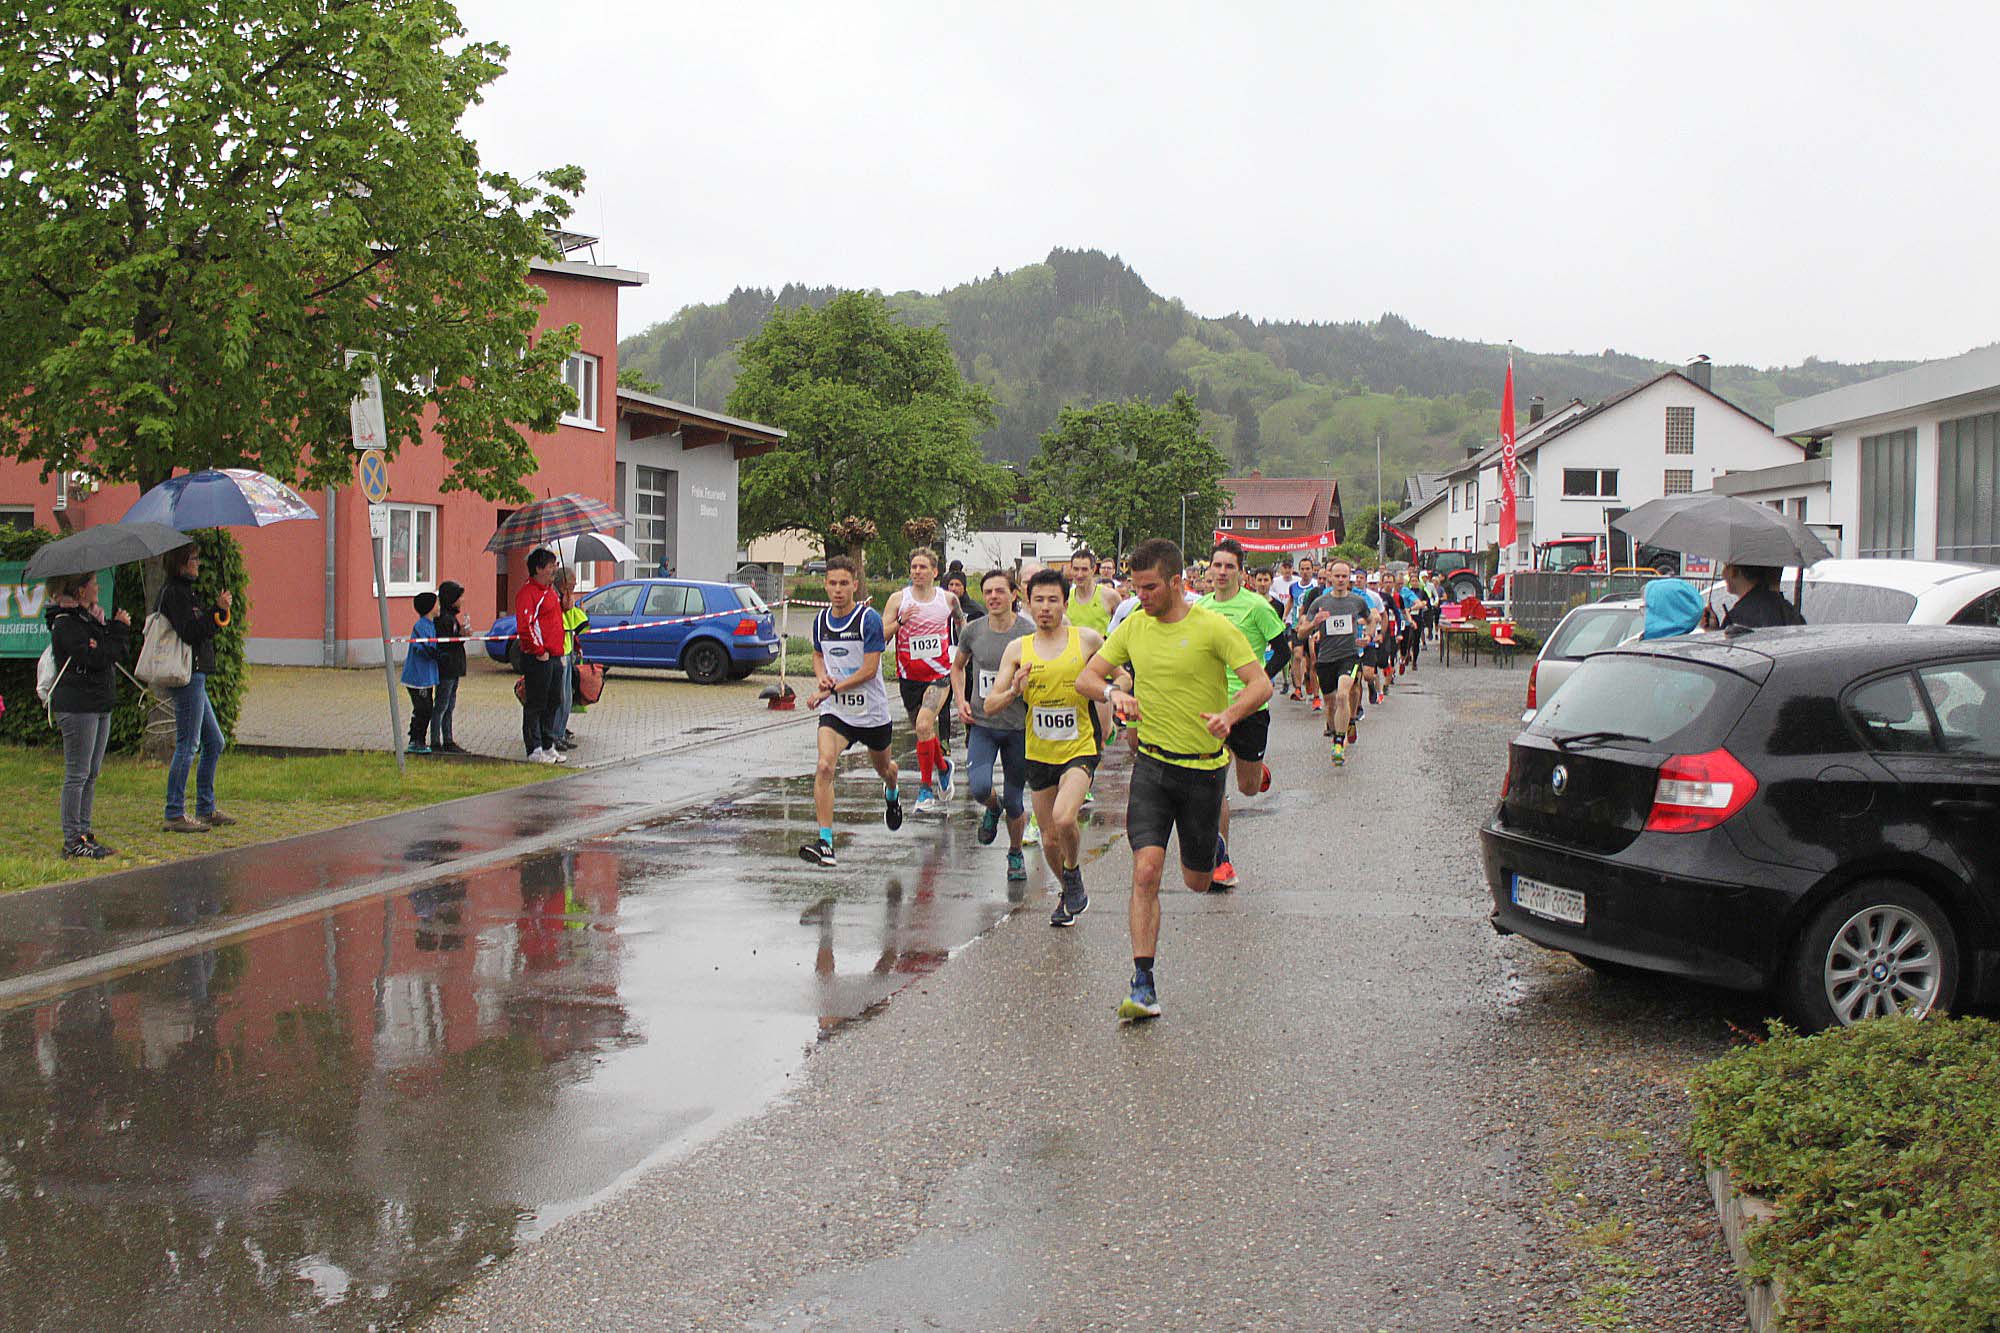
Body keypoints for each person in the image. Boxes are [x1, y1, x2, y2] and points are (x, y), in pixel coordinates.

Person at [1078, 539, 1271, 1021]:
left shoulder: (1213, 627)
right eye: (1136, 587)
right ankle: (1142, 983)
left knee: (1197, 881)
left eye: (1150, 587)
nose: (1141, 596)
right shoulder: (1134, 627)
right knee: (1145, 871)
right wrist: (1112, 694)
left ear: (1177, 582)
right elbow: (1087, 677)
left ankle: (1214, 851)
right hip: (1153, 766)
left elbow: (1260, 684)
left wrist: (1230, 715)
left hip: (1204, 770)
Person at [987, 568, 1103, 927]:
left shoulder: (1086, 640)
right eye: (1039, 600)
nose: (1046, 607)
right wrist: (1013, 691)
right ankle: (1068, 886)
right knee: (1050, 839)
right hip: (1038, 752)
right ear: (1027, 603)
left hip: (1079, 747)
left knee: (1064, 817)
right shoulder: (1016, 649)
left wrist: (1118, 694)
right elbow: (990, 704)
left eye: (1053, 600)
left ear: (1065, 603)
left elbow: (1116, 672)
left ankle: (1073, 876)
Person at [799, 556, 904, 866]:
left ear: (855, 586)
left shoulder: (867, 620)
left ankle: (893, 792)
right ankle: (826, 843)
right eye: (832, 583)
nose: (838, 590)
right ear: (825, 585)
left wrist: (832, 688)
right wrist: (821, 677)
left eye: (844, 583)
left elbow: (870, 670)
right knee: (824, 766)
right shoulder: (820, 621)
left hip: (871, 713)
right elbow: (818, 656)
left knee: (885, 769)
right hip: (837, 713)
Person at [1196, 539, 1286, 890]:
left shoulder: (1257, 607)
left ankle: (1256, 769)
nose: (1221, 572)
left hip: (1250, 708)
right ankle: (1221, 861)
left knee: (1247, 788)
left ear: (1240, 572)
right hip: (1212, 707)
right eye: (1216, 566)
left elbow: (1282, 649)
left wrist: (1261, 682)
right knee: (1213, 783)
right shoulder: (1199, 608)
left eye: (1228, 566)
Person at [953, 569, 1032, 882]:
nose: (994, 597)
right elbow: (957, 667)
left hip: (1018, 727)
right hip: (983, 723)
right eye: (988, 592)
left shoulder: (1028, 632)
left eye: (1000, 591)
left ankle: (1014, 853)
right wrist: (960, 700)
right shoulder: (973, 631)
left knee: (1016, 800)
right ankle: (992, 806)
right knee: (979, 787)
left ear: (1014, 595)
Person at [45, 572, 130, 857]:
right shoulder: (65, 624)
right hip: (77, 704)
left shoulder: (89, 620)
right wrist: (116, 631)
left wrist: (106, 627)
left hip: (98, 702)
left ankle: (84, 830)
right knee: (77, 773)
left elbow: (109, 652)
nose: (98, 587)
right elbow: (95, 657)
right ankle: (72, 839)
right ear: (81, 590)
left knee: (91, 773)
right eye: (93, 583)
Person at [159, 544, 235, 833]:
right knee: (188, 744)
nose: (198, 563)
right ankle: (174, 812)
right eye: (193, 559)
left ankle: (205, 807)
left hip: (197, 673)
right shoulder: (174, 594)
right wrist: (214, 610)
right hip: (187, 675)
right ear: (180, 563)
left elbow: (204, 627)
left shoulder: (188, 591)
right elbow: (190, 632)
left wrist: (219, 612)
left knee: (214, 742)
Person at [882, 548, 960, 814]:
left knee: (925, 725)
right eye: (914, 567)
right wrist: (900, 622)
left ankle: (925, 789)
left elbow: (963, 627)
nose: (917, 571)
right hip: (909, 679)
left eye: (923, 567)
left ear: (935, 572)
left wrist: (961, 657)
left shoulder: (948, 599)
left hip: (939, 676)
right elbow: (882, 635)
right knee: (923, 731)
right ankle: (943, 767)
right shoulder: (898, 599)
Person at [1303, 562, 1371, 766]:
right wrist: (1314, 624)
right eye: (1337, 576)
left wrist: (1368, 635)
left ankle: (1339, 743)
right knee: (1331, 704)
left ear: (1349, 578)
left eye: (1345, 576)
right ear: (1329, 578)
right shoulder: (1319, 602)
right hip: (1325, 659)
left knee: (1343, 695)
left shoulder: (1357, 601)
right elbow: (1301, 630)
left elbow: (1371, 618)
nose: (1341, 580)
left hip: (1349, 656)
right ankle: (1343, 726)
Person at [515, 548, 566, 764]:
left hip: (555, 655)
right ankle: (534, 748)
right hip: (539, 658)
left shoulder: (551, 591)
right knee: (536, 702)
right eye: (550, 565)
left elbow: (553, 619)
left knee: (554, 700)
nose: (554, 570)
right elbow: (526, 627)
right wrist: (539, 651)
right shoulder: (528, 593)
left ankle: (548, 743)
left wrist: (565, 607)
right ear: (538, 568)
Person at [430, 580, 469, 753]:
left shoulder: (452, 618)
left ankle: (448, 739)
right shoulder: (444, 620)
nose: (461, 601)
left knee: (450, 704)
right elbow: (445, 645)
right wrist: (458, 636)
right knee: (442, 704)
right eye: (459, 598)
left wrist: (461, 635)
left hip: (454, 668)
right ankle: (436, 741)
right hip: (447, 669)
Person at [553, 567, 587, 752]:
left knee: (567, 697)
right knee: (561, 696)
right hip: (560, 651)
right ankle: (555, 734)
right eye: (572, 584)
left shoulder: (567, 600)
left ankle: (560, 733)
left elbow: (576, 625)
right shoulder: (556, 599)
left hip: (568, 648)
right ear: (564, 583)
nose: (574, 587)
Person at [401, 591, 439, 755]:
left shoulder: (432, 624)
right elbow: (421, 648)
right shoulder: (420, 626)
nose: (439, 607)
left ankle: (419, 739)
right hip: (417, 677)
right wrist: (435, 652)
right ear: (430, 607)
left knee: (427, 708)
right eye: (436, 604)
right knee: (423, 709)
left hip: (428, 676)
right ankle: (416, 740)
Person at [1721, 564, 1807, 630]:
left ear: (1735, 571)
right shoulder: (1788, 610)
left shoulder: (1738, 617)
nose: (1722, 573)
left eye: (1726, 565)